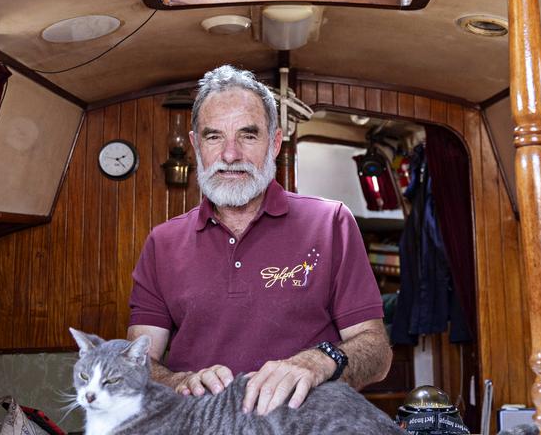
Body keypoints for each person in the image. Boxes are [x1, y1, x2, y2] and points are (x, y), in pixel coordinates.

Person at [127, 65, 391, 416]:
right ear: (195, 145)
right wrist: (178, 382)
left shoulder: (331, 223)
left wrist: (318, 362)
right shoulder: (162, 242)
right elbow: (137, 362)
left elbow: (377, 352)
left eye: (248, 136)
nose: (231, 154)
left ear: (275, 142)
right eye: (214, 136)